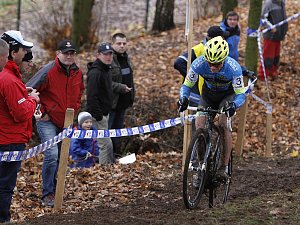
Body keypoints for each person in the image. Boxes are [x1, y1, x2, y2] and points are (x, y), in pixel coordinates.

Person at [178, 36, 246, 180]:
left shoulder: (233, 68)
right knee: (199, 126)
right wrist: (183, 98)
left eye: (217, 64)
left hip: (227, 97)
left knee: (223, 125)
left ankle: (224, 167)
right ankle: (201, 168)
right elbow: (187, 85)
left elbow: (241, 94)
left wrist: (234, 105)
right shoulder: (198, 64)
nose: (212, 67)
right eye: (210, 63)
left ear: (224, 59)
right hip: (208, 96)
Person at [26, 39, 84, 207]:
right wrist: (41, 112)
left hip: (65, 121)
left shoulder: (77, 73)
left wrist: (75, 110)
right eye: (65, 53)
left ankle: (56, 189)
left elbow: (79, 93)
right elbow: (29, 90)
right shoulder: (48, 70)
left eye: (71, 53)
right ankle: (48, 193)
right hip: (47, 120)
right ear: (57, 54)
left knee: (61, 156)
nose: (68, 56)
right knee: (51, 155)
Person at [0, 30, 39, 223]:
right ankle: (3, 219)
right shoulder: (8, 78)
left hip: (8, 138)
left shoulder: (9, 78)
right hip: (9, 140)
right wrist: (32, 100)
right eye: (24, 50)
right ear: (13, 52)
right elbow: (21, 113)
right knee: (5, 185)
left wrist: (23, 92)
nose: (26, 54)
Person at [174, 26, 229, 107]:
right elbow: (179, 63)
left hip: (210, 93)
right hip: (197, 94)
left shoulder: (219, 50)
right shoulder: (198, 49)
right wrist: (194, 78)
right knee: (197, 117)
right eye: (222, 37)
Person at [86, 42, 114, 165]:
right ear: (98, 55)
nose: (108, 57)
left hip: (105, 112)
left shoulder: (107, 69)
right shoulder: (95, 72)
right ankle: (103, 171)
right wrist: (99, 116)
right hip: (98, 115)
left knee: (107, 144)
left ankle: (108, 168)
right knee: (105, 145)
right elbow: (91, 97)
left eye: (110, 54)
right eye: (105, 54)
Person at [109, 33, 135, 157]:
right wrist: (121, 87)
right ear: (112, 44)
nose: (122, 46)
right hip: (111, 103)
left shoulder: (126, 58)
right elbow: (105, 82)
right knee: (108, 131)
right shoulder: (109, 59)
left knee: (117, 131)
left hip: (123, 102)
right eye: (119, 43)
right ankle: (106, 157)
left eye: (124, 43)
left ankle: (115, 154)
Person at [258, 0, 288, 80]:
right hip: (270, 36)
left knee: (276, 56)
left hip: (279, 35)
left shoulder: (282, 2)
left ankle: (272, 72)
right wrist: (270, 27)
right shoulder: (269, 4)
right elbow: (262, 18)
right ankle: (262, 75)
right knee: (268, 56)